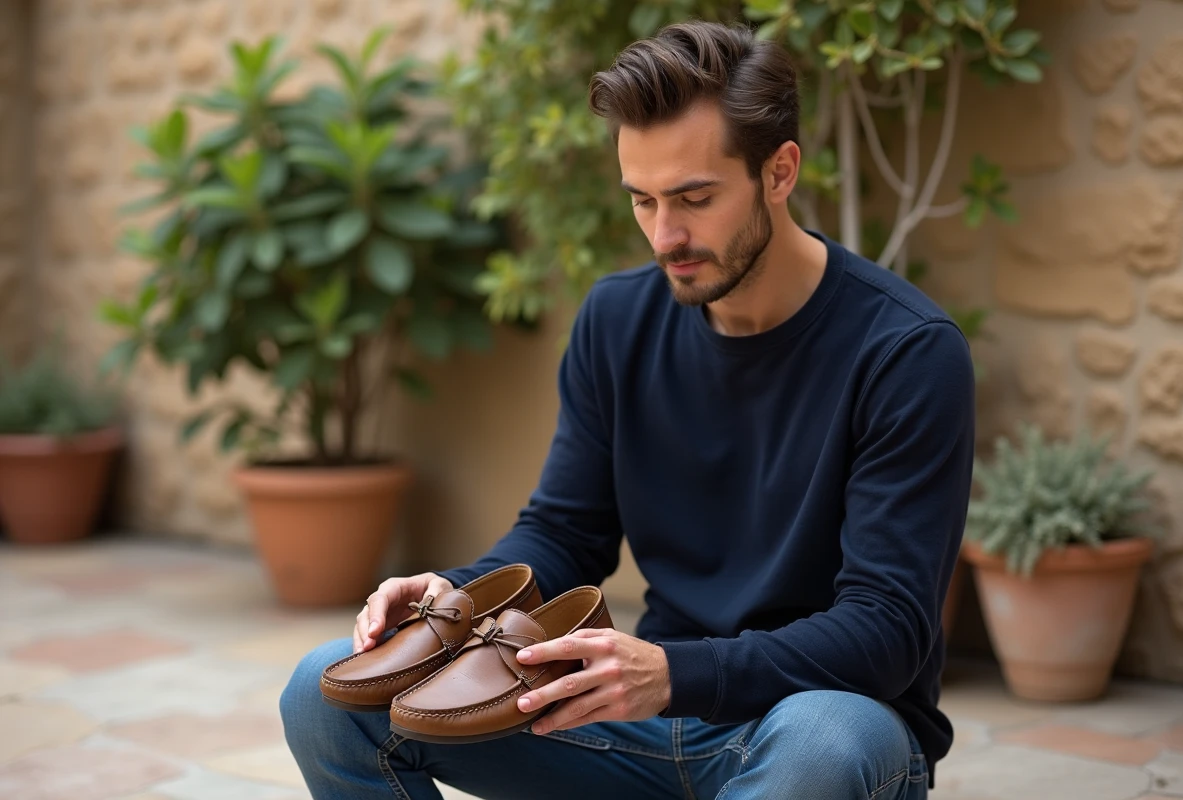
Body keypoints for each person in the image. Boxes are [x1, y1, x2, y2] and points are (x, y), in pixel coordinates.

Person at [281, 18, 974, 800]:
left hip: (812, 724)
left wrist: (675, 673)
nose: (664, 234)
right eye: (642, 200)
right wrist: (459, 592)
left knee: (822, 744)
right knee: (320, 691)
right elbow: (566, 531)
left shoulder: (906, 351)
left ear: (780, 172)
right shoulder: (617, 320)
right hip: (640, 721)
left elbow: (887, 628)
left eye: (694, 198)